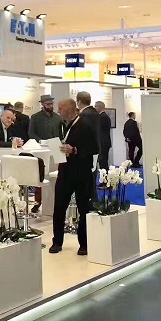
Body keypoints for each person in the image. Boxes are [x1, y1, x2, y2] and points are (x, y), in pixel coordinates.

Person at [49, 99, 98, 257]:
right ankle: (57, 242)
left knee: (84, 208)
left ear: (69, 109)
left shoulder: (85, 125)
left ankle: (84, 244)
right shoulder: (62, 125)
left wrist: (75, 150)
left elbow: (94, 148)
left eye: (60, 108)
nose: (58, 111)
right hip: (65, 171)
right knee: (59, 207)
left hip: (82, 173)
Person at [94, 101, 112, 170]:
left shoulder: (102, 117)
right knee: (103, 161)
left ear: (100, 107)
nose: (95, 108)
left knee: (103, 162)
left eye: (96, 106)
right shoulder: (104, 116)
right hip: (104, 143)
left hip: (103, 143)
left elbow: (100, 132)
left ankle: (105, 175)